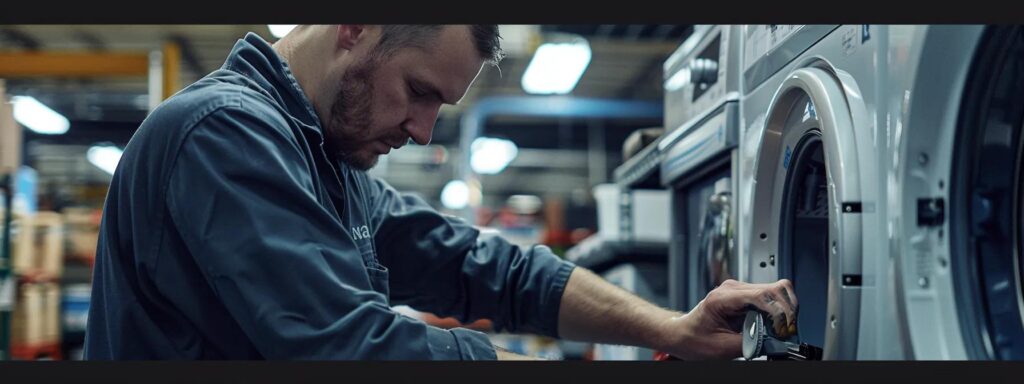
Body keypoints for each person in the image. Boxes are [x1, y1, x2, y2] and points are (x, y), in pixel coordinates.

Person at [84, 24, 798, 360]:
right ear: (355, 29)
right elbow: (354, 351)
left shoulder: (325, 163)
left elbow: (479, 267)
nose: (424, 132)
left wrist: (669, 327)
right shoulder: (223, 135)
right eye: (419, 92)